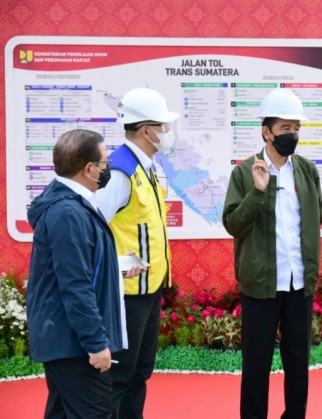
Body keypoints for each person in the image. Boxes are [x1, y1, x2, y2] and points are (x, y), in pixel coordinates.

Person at [223, 87, 322, 419]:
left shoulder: (307, 171)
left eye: (296, 128)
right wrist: (258, 191)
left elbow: (315, 216)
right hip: (261, 285)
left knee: (299, 364)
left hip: (299, 285)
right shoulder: (244, 172)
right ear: (266, 132)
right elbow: (233, 224)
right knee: (256, 366)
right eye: (285, 129)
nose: (292, 135)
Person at [26, 129, 122, 418]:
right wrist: (96, 343)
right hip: (73, 344)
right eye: (104, 163)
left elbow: (79, 265)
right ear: (89, 169)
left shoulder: (70, 203)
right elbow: (75, 285)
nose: (107, 169)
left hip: (66, 340)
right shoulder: (67, 212)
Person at [96, 87, 178, 418]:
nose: (167, 134)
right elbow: (92, 228)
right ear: (146, 130)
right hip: (126, 295)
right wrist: (116, 266)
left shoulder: (146, 166)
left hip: (148, 291)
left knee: (139, 372)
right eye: (164, 127)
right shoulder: (119, 171)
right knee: (119, 377)